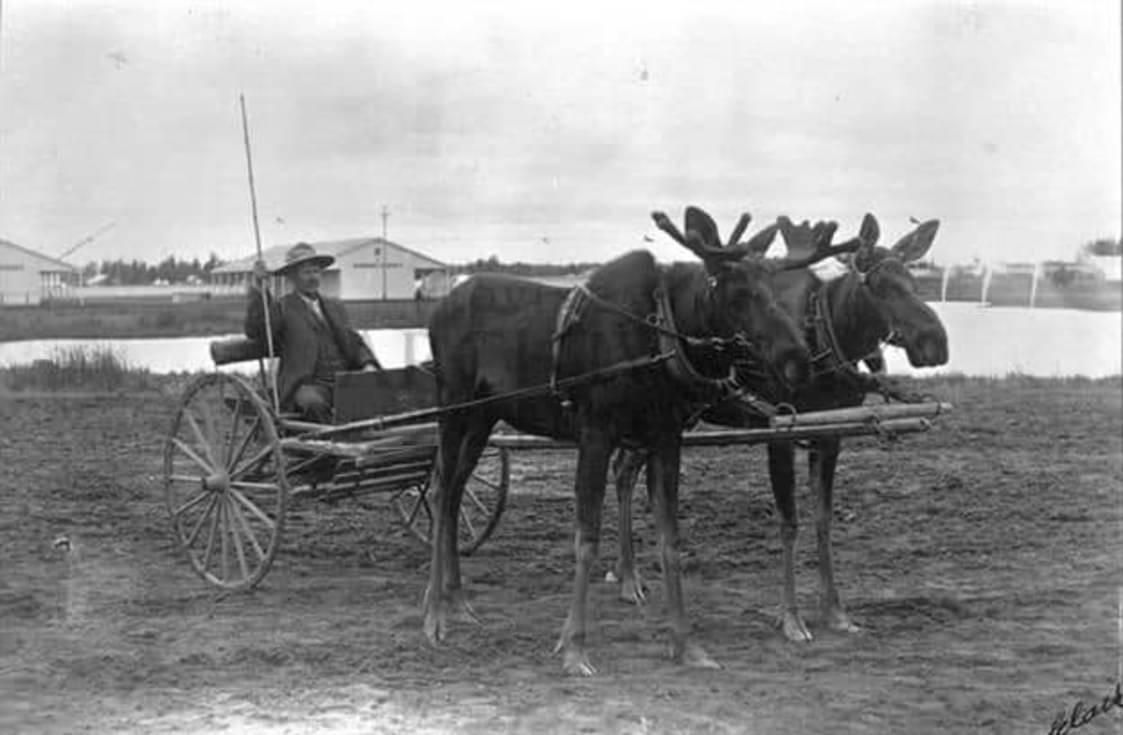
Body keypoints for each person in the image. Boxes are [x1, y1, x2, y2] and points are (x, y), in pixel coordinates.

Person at [245, 242, 382, 423]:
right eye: (306, 272)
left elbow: (354, 342)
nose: (313, 277)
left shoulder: (335, 307)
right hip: (306, 385)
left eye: (316, 271)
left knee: (379, 391)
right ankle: (327, 446)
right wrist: (259, 291)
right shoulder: (282, 308)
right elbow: (257, 331)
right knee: (312, 403)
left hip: (343, 380)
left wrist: (367, 364)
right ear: (292, 277)